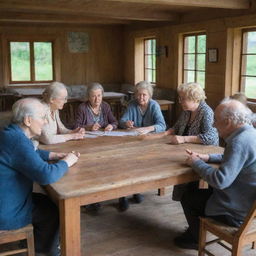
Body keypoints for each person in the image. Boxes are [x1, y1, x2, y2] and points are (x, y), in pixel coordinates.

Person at [0, 98, 80, 256]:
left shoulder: (10, 133)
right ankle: (45, 251)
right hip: (6, 212)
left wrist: (53, 154)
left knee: (46, 202)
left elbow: (28, 153)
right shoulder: (17, 141)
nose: (45, 122)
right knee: (53, 211)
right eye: (42, 117)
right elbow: (46, 175)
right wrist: (66, 162)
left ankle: (40, 244)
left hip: (7, 198)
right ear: (28, 120)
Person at [174, 98, 256, 250]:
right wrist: (207, 157)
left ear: (229, 122)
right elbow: (233, 158)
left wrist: (195, 163)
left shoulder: (238, 142)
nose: (213, 125)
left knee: (187, 197)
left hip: (236, 212)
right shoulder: (250, 133)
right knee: (197, 192)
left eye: (216, 120)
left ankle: (195, 238)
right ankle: (196, 231)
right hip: (248, 204)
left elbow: (220, 181)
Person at [119, 81, 166, 211]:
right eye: (139, 95)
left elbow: (162, 126)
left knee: (141, 167)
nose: (141, 98)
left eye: (144, 95)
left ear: (149, 95)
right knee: (127, 165)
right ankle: (122, 195)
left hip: (149, 142)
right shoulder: (132, 105)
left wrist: (149, 128)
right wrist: (126, 123)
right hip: (132, 142)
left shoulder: (154, 106)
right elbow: (121, 121)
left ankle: (137, 190)